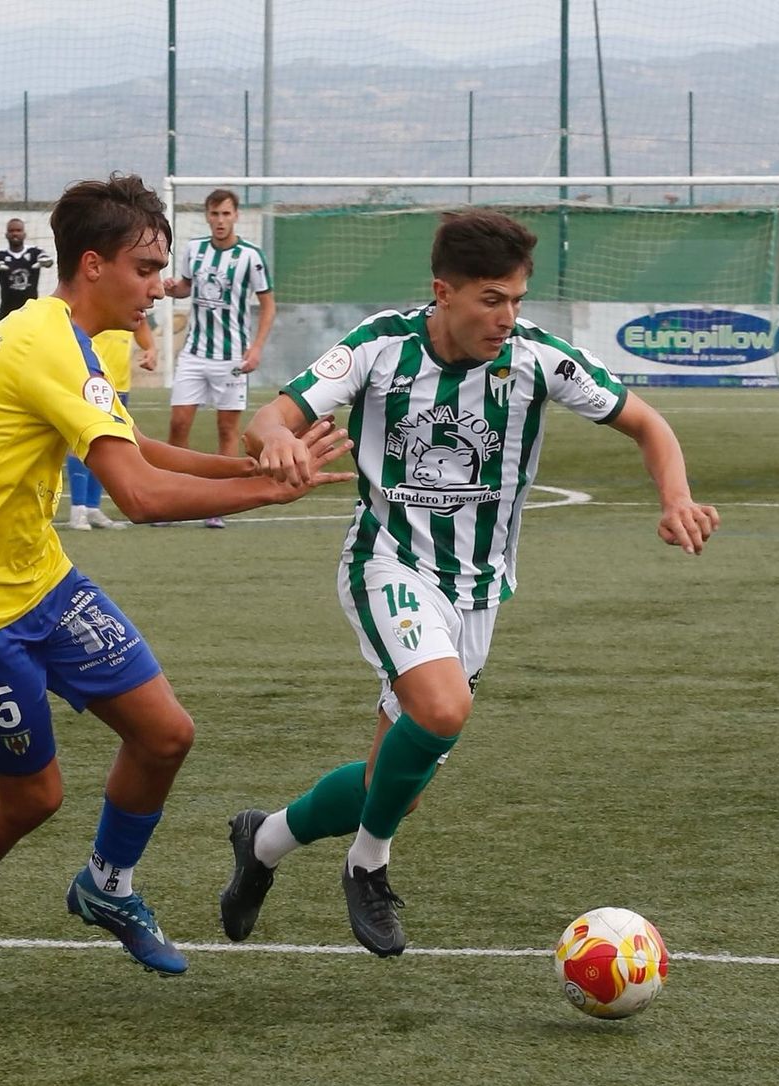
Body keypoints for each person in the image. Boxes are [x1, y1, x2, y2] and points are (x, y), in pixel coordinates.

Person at [0, 173, 353, 994]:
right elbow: (138, 498)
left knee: (165, 733)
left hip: (40, 579)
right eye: (146, 268)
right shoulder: (42, 344)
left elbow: (133, 446)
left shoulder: (92, 340)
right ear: (93, 265)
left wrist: (251, 464)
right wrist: (267, 489)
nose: (161, 285)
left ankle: (107, 886)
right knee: (33, 796)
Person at [219, 210, 719, 957]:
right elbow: (270, 418)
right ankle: (366, 865)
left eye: (516, 299)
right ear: (442, 292)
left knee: (397, 782)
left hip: (479, 592)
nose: (506, 317)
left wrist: (676, 496)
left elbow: (649, 424)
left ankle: (264, 842)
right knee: (443, 709)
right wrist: (282, 439)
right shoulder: (381, 348)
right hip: (389, 563)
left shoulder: (536, 360)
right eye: (491, 299)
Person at [162, 188, 275, 527]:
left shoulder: (251, 257)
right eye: (215, 214)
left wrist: (255, 348)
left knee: (227, 430)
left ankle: (218, 504)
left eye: (226, 214)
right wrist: (173, 288)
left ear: (236, 215)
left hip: (232, 359)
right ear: (207, 216)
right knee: (178, 423)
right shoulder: (193, 250)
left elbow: (268, 305)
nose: (220, 220)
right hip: (195, 353)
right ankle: (170, 497)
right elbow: (186, 287)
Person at [66, 319, 158, 530]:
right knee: (82, 438)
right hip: (90, 381)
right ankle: (77, 509)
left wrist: (150, 348)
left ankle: (92, 507)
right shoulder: (95, 302)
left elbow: (141, 325)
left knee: (108, 443)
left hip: (119, 384)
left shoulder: (128, 304)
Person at [0, 217, 54, 320]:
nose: (15, 234)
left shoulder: (34, 252)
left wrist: (46, 262)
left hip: (30, 311)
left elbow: (47, 260)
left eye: (18, 230)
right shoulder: (0, 255)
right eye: (11, 231)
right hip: (7, 311)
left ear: (24, 234)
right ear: (6, 235)